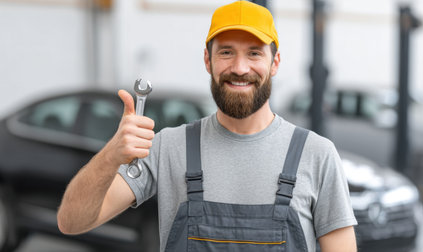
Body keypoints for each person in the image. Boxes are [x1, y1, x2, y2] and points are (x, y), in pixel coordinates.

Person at [57, 1, 357, 251]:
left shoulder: (316, 155)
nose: (240, 68)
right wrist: (111, 155)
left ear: (275, 62)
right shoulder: (168, 147)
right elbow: (72, 221)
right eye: (226, 52)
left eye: (254, 53)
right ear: (208, 60)